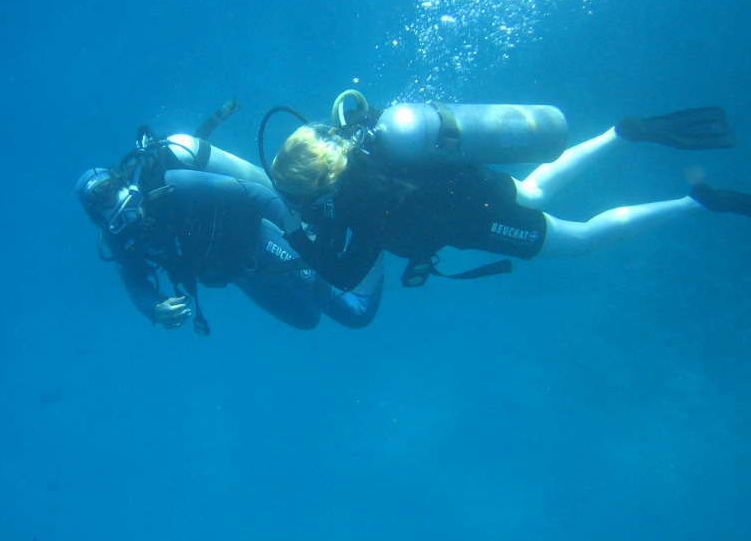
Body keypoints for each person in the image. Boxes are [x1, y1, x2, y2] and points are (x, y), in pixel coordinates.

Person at [269, 98, 749, 291]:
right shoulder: (357, 135)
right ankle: (618, 134)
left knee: (580, 239)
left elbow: (347, 275)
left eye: (294, 193)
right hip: (477, 180)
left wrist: (295, 235)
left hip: (478, 219)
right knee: (535, 188)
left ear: (321, 184)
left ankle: (695, 202)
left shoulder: (367, 206)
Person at [76, 130, 383, 334]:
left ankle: (373, 237)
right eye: (120, 221)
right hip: (241, 275)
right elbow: (134, 281)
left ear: (132, 189)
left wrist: (298, 234)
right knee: (306, 320)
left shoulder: (175, 186)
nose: (134, 219)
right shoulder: (118, 237)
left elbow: (252, 193)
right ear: (105, 224)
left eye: (132, 205)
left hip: (263, 244)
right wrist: (155, 309)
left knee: (356, 313)